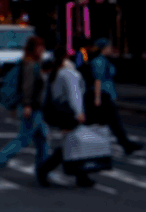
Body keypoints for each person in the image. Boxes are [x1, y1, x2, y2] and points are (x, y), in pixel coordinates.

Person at [38, 48, 94, 188]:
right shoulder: (68, 73)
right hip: (69, 113)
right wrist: (79, 112)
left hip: (59, 112)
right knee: (71, 144)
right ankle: (45, 169)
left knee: (71, 143)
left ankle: (81, 175)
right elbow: (74, 93)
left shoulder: (54, 73)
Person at [0, 36, 49, 171]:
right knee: (24, 139)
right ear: (33, 49)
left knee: (43, 138)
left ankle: (43, 169)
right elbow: (27, 87)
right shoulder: (31, 65)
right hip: (32, 107)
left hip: (33, 107)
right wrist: (27, 105)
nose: (42, 49)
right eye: (39, 46)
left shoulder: (31, 63)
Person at [87, 39, 142, 155]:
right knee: (111, 122)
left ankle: (125, 144)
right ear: (103, 48)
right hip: (103, 95)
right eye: (109, 47)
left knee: (108, 122)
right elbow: (98, 80)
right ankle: (125, 144)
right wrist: (97, 98)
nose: (111, 49)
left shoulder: (104, 60)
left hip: (106, 95)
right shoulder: (99, 62)